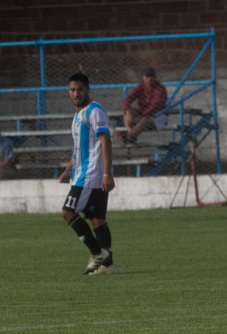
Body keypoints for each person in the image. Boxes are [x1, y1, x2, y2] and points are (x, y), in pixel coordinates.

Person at [58, 72, 116, 275]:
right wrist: (68, 169)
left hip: (90, 176)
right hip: (85, 174)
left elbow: (105, 141)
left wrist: (107, 174)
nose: (76, 93)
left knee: (67, 212)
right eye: (72, 90)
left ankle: (98, 254)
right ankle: (108, 265)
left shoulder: (94, 111)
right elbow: (81, 148)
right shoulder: (77, 115)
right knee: (97, 219)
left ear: (87, 90)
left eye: (80, 89)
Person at [117, 67, 168, 145]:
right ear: (143, 77)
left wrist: (142, 116)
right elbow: (126, 100)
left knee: (145, 120)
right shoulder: (140, 87)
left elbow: (155, 106)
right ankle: (129, 133)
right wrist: (127, 110)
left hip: (157, 117)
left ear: (155, 78)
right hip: (141, 115)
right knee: (129, 112)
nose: (149, 79)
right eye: (147, 77)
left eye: (151, 77)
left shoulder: (160, 89)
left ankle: (129, 136)